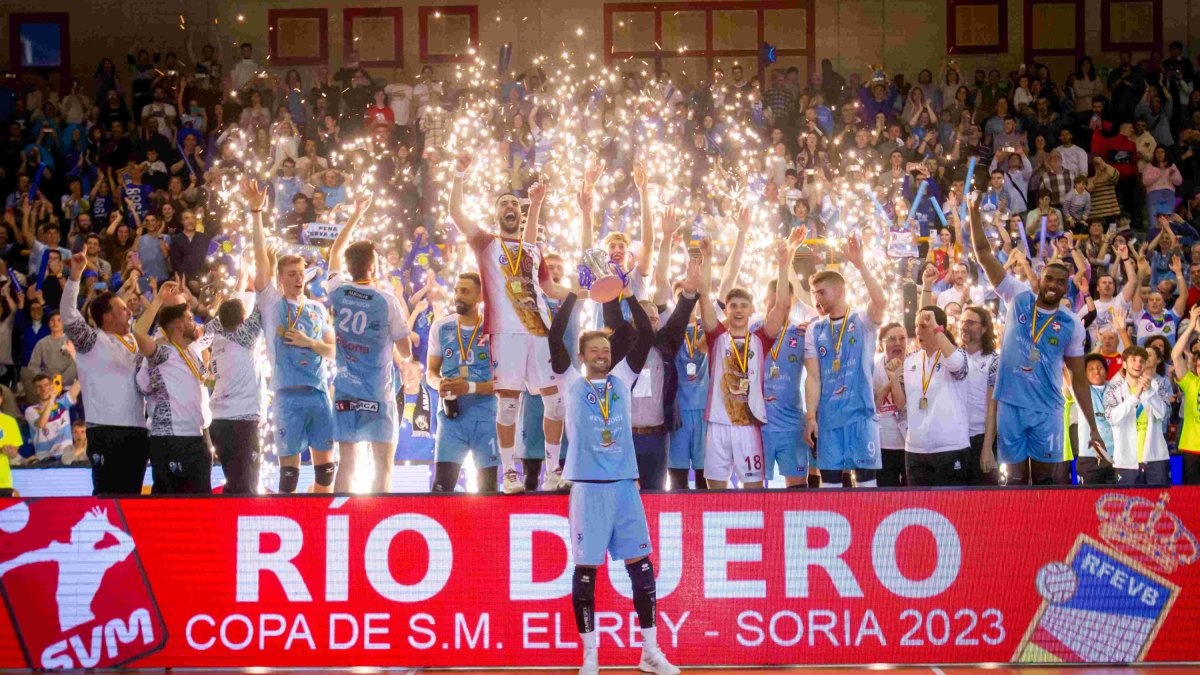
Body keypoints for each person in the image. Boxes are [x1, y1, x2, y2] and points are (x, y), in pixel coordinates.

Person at [545, 291, 679, 675]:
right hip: (588, 488)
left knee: (642, 567)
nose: (602, 355)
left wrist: (628, 293)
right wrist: (574, 294)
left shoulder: (623, 377)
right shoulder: (570, 380)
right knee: (586, 572)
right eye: (595, 350)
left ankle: (650, 651)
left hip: (623, 486)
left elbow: (645, 333)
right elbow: (554, 336)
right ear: (582, 356)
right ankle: (590, 655)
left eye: (606, 350)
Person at [450, 152, 573, 493]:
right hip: (506, 333)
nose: (510, 207)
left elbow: (549, 288)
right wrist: (458, 174)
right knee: (508, 405)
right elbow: (456, 213)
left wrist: (584, 293)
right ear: (497, 213)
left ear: (520, 213)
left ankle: (553, 472)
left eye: (514, 204)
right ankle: (509, 474)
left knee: (556, 402)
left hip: (540, 332)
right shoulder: (487, 244)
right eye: (504, 203)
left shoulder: (533, 251)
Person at [967, 193, 1109, 484]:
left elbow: (1078, 379)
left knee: (1046, 481)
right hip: (1011, 405)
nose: (1054, 285)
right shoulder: (1017, 296)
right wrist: (972, 212)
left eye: (1061, 282)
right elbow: (982, 252)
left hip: (1048, 409)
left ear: (1067, 286)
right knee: (1015, 481)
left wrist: (1093, 427)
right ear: (1040, 278)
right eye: (1050, 279)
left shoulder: (1071, 324)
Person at [244, 179, 338, 494]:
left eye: (301, 273)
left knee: (326, 473)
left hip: (318, 394)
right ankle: (292, 515)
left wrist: (309, 343)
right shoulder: (272, 304)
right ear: (280, 278)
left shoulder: (317, 309)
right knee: (289, 477)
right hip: (287, 396)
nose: (298, 279)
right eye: (291, 275)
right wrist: (256, 212)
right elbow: (261, 259)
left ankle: (319, 513)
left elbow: (333, 351)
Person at [698, 232, 802, 489]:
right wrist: (707, 258)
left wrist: (784, 263)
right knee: (716, 494)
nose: (738, 310)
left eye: (743, 305)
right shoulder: (716, 337)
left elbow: (781, 305)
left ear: (751, 310)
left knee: (754, 492)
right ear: (727, 310)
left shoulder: (760, 339)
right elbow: (703, 298)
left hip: (748, 425)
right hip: (718, 423)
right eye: (733, 305)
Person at [324, 196, 412, 493]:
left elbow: (335, 252)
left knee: (347, 466)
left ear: (350, 267)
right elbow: (406, 352)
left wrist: (355, 216)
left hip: (345, 391)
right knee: (382, 468)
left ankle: (340, 519)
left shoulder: (337, 290)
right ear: (373, 267)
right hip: (378, 395)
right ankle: (377, 520)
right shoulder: (387, 300)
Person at [804, 235, 888, 488]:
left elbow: (881, 302)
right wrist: (811, 418)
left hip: (861, 417)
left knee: (866, 488)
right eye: (813, 293)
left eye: (821, 292)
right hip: (829, 420)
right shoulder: (815, 329)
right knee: (830, 489)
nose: (816, 298)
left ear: (840, 291)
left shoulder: (862, 320)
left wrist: (860, 265)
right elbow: (813, 377)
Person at [60, 251, 147, 494]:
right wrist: (75, 276)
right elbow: (68, 316)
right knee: (107, 498)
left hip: (137, 431)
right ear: (107, 317)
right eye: (123, 309)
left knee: (133, 500)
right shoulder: (92, 340)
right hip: (105, 431)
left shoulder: (135, 343)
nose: (129, 312)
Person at [132, 281, 212, 494]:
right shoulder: (163, 352)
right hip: (170, 438)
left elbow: (205, 382)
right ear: (179, 326)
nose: (194, 323)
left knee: (202, 503)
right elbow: (138, 332)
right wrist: (158, 299)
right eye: (189, 319)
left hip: (196, 436)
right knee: (169, 504)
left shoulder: (192, 352)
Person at [427, 273, 499, 492]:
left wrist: (470, 387)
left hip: (486, 418)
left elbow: (506, 382)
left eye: (465, 291)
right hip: (451, 419)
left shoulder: (494, 328)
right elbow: (431, 372)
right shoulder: (441, 327)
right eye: (456, 290)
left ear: (480, 296)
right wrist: (438, 383)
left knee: (488, 490)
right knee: (441, 487)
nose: (458, 296)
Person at [204, 267, 265, 495]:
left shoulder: (216, 336)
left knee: (233, 480)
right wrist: (260, 281)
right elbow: (262, 307)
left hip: (218, 421)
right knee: (246, 486)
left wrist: (241, 285)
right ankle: (239, 517)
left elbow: (230, 312)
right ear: (242, 320)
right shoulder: (244, 337)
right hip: (242, 422)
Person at [899, 306, 969, 486]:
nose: (917, 331)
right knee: (918, 503)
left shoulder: (956, 354)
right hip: (915, 449)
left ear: (939, 329)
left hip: (950, 447)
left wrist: (937, 329)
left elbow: (957, 365)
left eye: (924, 326)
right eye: (916, 326)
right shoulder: (910, 360)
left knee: (951, 503)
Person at [1103, 345, 1171, 486]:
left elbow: (1164, 414)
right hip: (1125, 461)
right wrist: (1135, 397)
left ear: (1145, 364)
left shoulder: (1157, 385)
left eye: (1141, 361)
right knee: (1128, 500)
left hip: (1156, 458)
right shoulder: (1113, 389)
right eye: (1133, 360)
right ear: (1124, 364)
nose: (1138, 364)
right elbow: (1112, 418)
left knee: (1159, 499)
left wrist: (1150, 392)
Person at [958, 306, 1000, 485]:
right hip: (955, 437)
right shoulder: (954, 357)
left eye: (970, 322)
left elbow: (993, 408)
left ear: (983, 328)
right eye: (962, 322)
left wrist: (987, 448)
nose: (964, 326)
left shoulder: (994, 361)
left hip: (980, 436)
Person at [874, 322, 908, 487]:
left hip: (911, 446)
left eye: (902, 338)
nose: (898, 343)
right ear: (881, 344)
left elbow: (902, 404)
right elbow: (871, 405)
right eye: (892, 339)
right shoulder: (873, 367)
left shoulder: (915, 364)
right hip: (883, 444)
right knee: (886, 497)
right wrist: (890, 381)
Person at [1077, 353, 1117, 485]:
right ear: (1084, 374)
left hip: (1114, 456)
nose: (1096, 371)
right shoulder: (1080, 392)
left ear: (1106, 371)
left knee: (1115, 497)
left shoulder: (1116, 390)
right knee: (1088, 497)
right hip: (1089, 457)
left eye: (1100, 367)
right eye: (1091, 369)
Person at [25, 374, 80, 463]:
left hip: (65, 457)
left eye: (46, 385)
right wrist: (51, 400)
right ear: (34, 390)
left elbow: (79, 383)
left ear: (51, 386)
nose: (43, 389)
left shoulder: (62, 403)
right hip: (43, 460)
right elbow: (41, 423)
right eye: (39, 387)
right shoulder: (31, 410)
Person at [1173, 307, 1200, 485]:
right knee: (1192, 495)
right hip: (1192, 448)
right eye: (1199, 365)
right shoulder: (1191, 382)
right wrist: (1191, 326)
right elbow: (1176, 355)